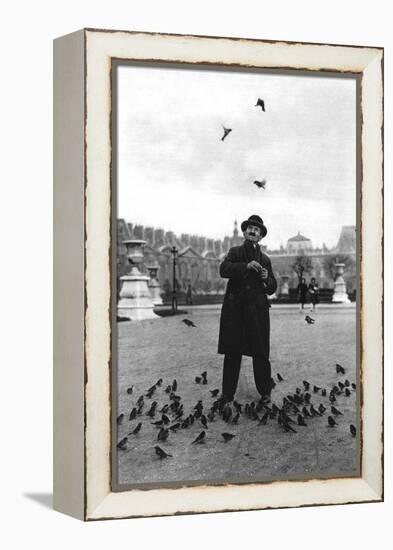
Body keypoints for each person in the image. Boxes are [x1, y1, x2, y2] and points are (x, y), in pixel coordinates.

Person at [217, 214, 277, 402]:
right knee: (232, 353)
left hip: (258, 311)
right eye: (250, 228)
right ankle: (227, 394)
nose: (253, 231)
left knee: (261, 353)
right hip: (236, 311)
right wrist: (245, 266)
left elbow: (273, 287)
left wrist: (267, 278)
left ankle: (265, 392)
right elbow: (223, 270)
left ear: (261, 236)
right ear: (244, 232)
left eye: (257, 229)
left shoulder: (265, 259)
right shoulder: (235, 252)